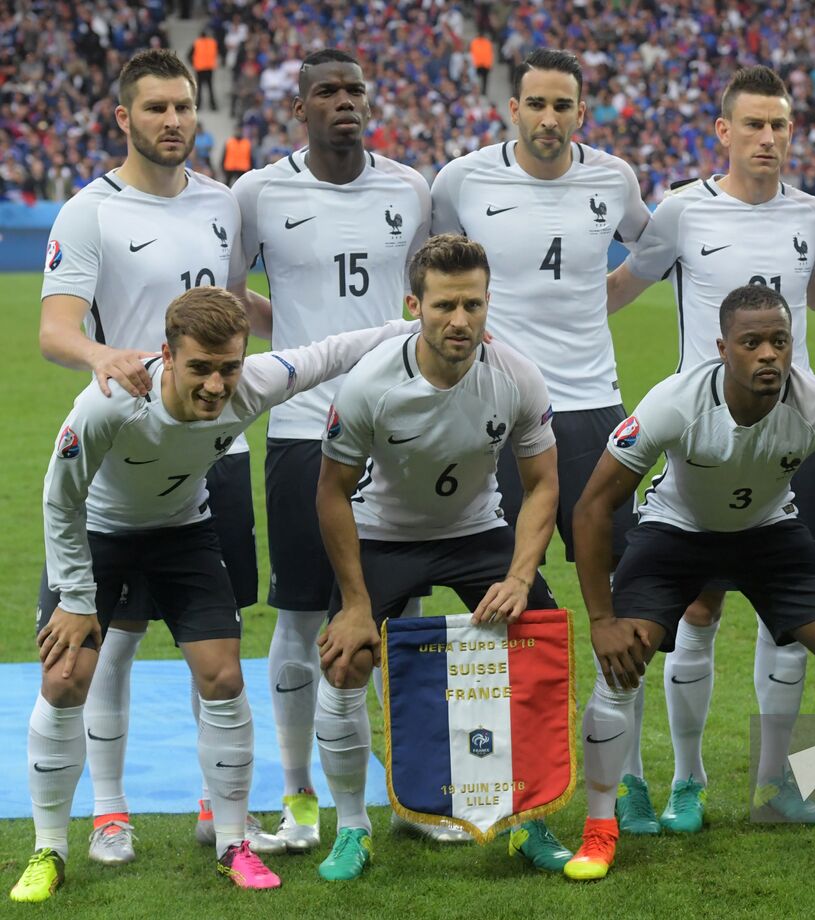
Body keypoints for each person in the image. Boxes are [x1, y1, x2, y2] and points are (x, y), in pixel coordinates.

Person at [9, 287, 416, 903]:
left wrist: (416, 330)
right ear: (166, 357)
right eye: (199, 368)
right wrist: (74, 596)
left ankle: (233, 845)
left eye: (228, 367)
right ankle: (48, 850)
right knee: (66, 676)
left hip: (183, 534)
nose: (216, 385)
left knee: (224, 678)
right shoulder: (110, 404)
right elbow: (58, 498)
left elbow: (332, 353)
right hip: (99, 533)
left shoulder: (253, 382)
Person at [562, 284, 815, 880]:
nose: (768, 356)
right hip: (676, 532)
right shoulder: (675, 401)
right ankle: (599, 832)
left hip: (769, 534)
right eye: (752, 343)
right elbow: (593, 507)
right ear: (723, 347)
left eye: (779, 342)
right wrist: (602, 620)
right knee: (619, 663)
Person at [604, 65, 815, 832]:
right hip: (699, 435)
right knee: (697, 608)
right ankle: (688, 779)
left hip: (791, 435)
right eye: (753, 124)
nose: (768, 137)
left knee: (787, 619)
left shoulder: (811, 215)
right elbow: (623, 285)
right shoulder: (683, 211)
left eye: (780, 124)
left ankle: (774, 782)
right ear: (724, 131)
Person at [37, 47, 276, 865]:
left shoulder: (221, 205)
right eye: (156, 108)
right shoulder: (89, 212)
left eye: (184, 106)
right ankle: (110, 811)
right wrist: (103, 357)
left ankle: (220, 803)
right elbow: (55, 329)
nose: (174, 121)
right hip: (124, 445)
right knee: (116, 637)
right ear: (123, 119)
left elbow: (233, 313)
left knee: (218, 632)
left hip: (218, 446)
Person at [313, 235, 573, 878]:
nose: (460, 321)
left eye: (474, 305)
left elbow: (542, 482)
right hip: (384, 532)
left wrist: (519, 577)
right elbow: (331, 493)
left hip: (474, 531)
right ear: (414, 305)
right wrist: (353, 604)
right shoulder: (371, 382)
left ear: (489, 304)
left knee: (537, 646)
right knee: (345, 663)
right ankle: (351, 829)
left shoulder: (515, 374)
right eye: (445, 306)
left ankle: (528, 822)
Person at [231, 47, 431, 853]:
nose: (343, 102)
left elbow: (423, 297)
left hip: (397, 427)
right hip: (300, 429)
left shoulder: (410, 189)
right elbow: (224, 290)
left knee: (405, 609)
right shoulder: (259, 192)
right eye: (327, 92)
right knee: (301, 612)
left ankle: (413, 795)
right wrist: (304, 347)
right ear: (301, 108)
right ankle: (298, 796)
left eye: (353, 90)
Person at [430, 48, 649, 569]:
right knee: (500, 570)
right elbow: (433, 273)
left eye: (561, 105)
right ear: (513, 108)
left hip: (592, 397)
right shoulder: (462, 180)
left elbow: (653, 250)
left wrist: (604, 297)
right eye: (535, 104)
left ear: (581, 111)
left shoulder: (614, 178)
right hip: (494, 400)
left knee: (618, 565)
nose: (549, 119)